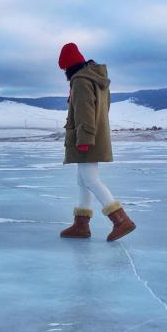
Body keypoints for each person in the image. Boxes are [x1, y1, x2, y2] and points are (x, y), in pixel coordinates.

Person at [58, 42, 135, 241]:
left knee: (90, 179)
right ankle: (81, 225)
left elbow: (85, 111)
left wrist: (85, 138)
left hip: (86, 139)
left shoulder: (80, 81)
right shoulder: (95, 79)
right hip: (93, 136)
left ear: (69, 67)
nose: (65, 72)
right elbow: (103, 109)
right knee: (83, 180)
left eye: (65, 68)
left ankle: (121, 220)